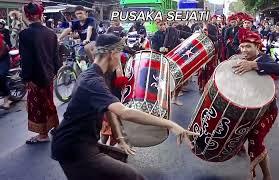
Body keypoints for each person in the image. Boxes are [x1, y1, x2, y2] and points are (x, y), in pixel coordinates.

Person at [51, 34, 198, 180]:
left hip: (76, 143)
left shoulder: (91, 74)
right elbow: (125, 112)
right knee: (134, 177)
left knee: (120, 157)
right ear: (112, 54)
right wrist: (171, 124)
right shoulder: (93, 82)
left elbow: (108, 109)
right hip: (74, 148)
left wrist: (120, 138)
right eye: (120, 55)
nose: (119, 61)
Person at [232, 31, 279, 180]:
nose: (244, 50)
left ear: (257, 46)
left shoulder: (265, 58)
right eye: (242, 47)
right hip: (247, 108)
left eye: (248, 46)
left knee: (256, 141)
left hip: (266, 110)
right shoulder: (240, 58)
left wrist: (254, 65)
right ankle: (239, 145)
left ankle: (267, 176)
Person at [20, 2, 60, 144]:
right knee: (49, 102)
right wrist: (55, 71)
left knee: (38, 106)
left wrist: (27, 78)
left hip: (35, 77)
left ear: (27, 15)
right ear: (41, 15)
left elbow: (26, 59)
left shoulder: (25, 34)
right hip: (49, 74)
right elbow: (56, 56)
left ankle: (42, 135)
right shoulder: (51, 33)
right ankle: (56, 126)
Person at [0, 33, 11, 109]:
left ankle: (6, 100)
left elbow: (5, 48)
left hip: (3, 58)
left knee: (1, 75)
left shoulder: (1, 37)